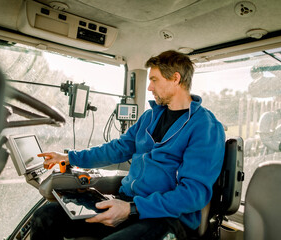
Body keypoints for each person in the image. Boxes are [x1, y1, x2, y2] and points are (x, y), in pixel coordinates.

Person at [30, 50, 225, 240]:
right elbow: (117, 149)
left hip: (167, 217)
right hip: (127, 203)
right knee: (45, 217)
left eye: (154, 80)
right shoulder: (149, 117)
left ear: (175, 78)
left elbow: (193, 194)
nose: (149, 87)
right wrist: (70, 157)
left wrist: (133, 209)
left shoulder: (205, 127)